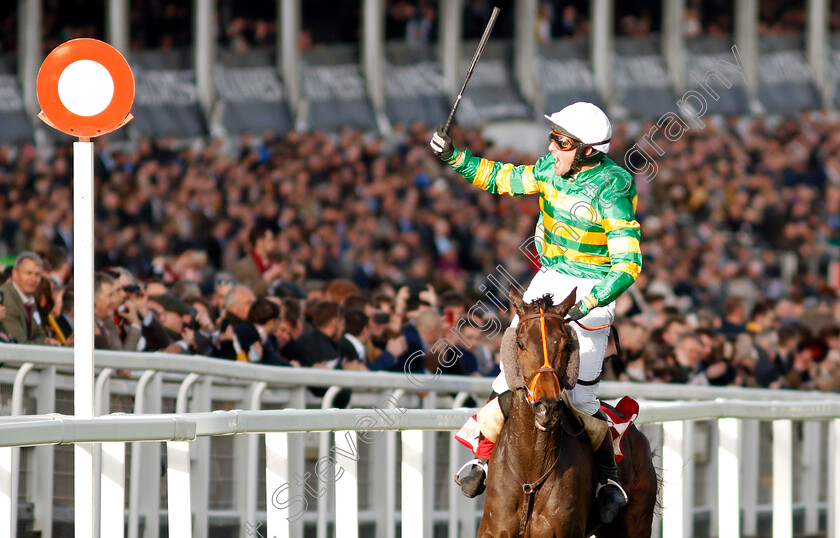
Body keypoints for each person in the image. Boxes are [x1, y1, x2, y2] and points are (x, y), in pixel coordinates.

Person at [430, 102, 642, 523]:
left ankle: (607, 476)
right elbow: (501, 177)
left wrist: (583, 306)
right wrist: (454, 156)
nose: (551, 147)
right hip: (548, 279)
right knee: (510, 378)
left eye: (561, 141)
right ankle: (485, 461)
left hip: (591, 289)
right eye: (553, 138)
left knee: (580, 397)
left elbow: (628, 265)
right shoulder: (550, 168)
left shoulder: (613, 187)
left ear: (586, 150)